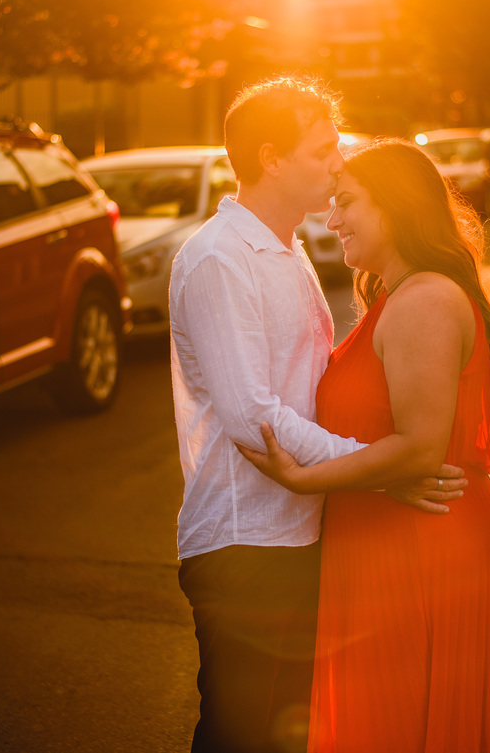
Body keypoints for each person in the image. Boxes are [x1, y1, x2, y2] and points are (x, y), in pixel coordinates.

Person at [169, 76, 467, 753]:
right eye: (323, 149)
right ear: (272, 158)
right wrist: (374, 470)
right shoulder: (221, 258)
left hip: (300, 539)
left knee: (288, 734)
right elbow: (255, 418)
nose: (338, 162)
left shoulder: (291, 251)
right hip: (247, 547)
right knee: (241, 736)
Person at [238, 138, 490, 752]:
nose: (332, 216)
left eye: (346, 201)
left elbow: (421, 450)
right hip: (390, 540)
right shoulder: (395, 297)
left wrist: (300, 478)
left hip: (426, 550)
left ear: (395, 207)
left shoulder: (424, 299)